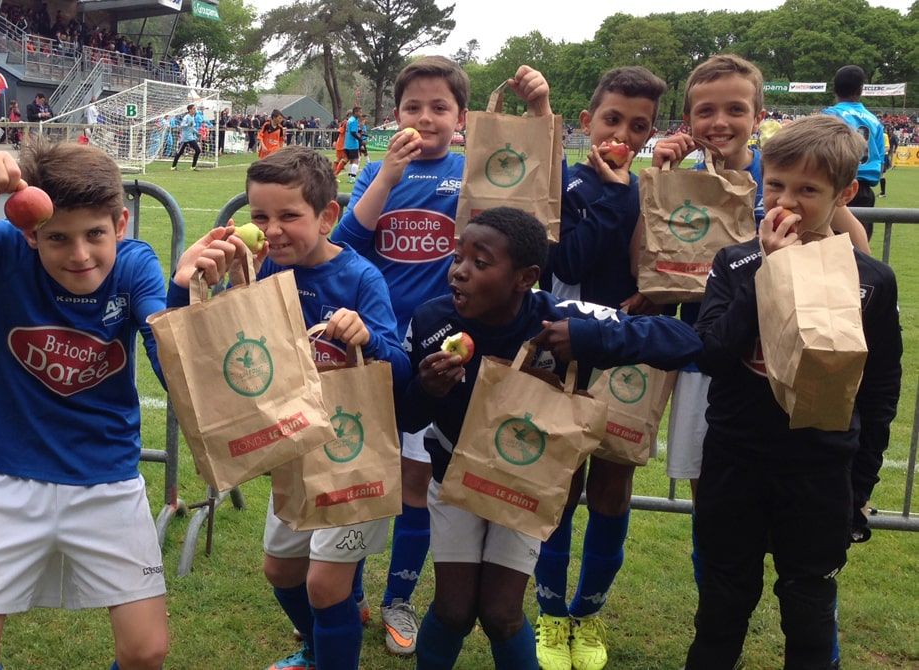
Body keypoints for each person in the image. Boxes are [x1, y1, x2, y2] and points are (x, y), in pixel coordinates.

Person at [0, 144, 170, 670]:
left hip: (107, 481)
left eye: (96, 234)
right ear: (29, 234)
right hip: (12, 482)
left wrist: (187, 306)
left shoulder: (135, 265)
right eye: (58, 239)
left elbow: (162, 343)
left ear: (121, 222)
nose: (80, 255)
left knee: (146, 651)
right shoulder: (3, 253)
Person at [401, 206, 701, 670]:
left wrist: (589, 338)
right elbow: (405, 415)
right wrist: (426, 388)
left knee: (501, 614)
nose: (459, 272)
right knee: (454, 610)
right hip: (454, 480)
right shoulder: (431, 321)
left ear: (527, 278)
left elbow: (682, 338)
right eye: (458, 257)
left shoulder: (560, 318)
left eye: (480, 264)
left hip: (526, 484)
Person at [331, 56, 548, 658]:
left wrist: (538, 113)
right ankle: (343, 590)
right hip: (377, 341)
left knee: (418, 477)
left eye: (439, 108)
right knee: (364, 472)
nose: (424, 118)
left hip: (446, 347)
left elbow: (528, 209)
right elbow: (346, 242)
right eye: (412, 107)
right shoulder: (377, 171)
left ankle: (401, 596)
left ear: (462, 119)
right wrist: (386, 177)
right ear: (393, 114)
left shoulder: (469, 171)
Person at [168, 146, 410, 670]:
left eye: (288, 216)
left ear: (327, 217)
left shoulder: (359, 279)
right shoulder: (257, 272)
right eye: (259, 216)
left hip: (351, 451)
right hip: (292, 457)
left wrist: (366, 337)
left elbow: (400, 373)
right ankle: (317, 640)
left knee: (325, 586)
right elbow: (216, 351)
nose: (271, 230)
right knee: (281, 573)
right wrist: (215, 283)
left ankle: (332, 651)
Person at [684, 114, 901, 670]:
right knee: (721, 611)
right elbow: (711, 352)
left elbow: (878, 390)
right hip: (737, 463)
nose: (788, 201)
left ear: (845, 193)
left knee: (808, 613)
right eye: (778, 185)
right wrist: (769, 275)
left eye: (809, 190)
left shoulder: (870, 279)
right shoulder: (736, 263)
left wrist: (860, 483)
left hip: (819, 471)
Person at [532, 66, 667, 670]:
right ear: (587, 123)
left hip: (625, 352)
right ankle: (551, 615)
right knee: (558, 486)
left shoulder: (652, 189)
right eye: (613, 120)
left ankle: (588, 615)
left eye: (638, 126)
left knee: (613, 487)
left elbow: (675, 268)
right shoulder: (562, 184)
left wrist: (656, 293)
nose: (624, 135)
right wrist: (612, 195)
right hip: (559, 347)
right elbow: (568, 255)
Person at [823, 65, 886, 238]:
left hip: (838, 186)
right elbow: (881, 162)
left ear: (834, 89)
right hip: (864, 190)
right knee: (859, 251)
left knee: (831, 248)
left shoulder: (829, 116)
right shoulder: (875, 121)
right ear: (860, 90)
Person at [171, 103, 201, 171]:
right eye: (193, 109)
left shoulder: (192, 117)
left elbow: (192, 127)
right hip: (185, 138)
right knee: (179, 152)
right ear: (190, 110)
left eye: (195, 109)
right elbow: (182, 125)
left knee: (198, 150)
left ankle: (193, 167)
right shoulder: (186, 117)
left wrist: (197, 133)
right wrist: (188, 124)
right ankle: (173, 166)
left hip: (190, 137)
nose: (195, 110)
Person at [341, 107, 362, 182]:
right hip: (352, 144)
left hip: (347, 144)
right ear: (355, 112)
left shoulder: (350, 120)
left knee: (351, 160)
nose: (360, 114)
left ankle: (350, 176)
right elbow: (353, 132)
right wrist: (360, 139)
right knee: (356, 160)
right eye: (360, 112)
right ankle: (352, 177)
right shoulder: (353, 121)